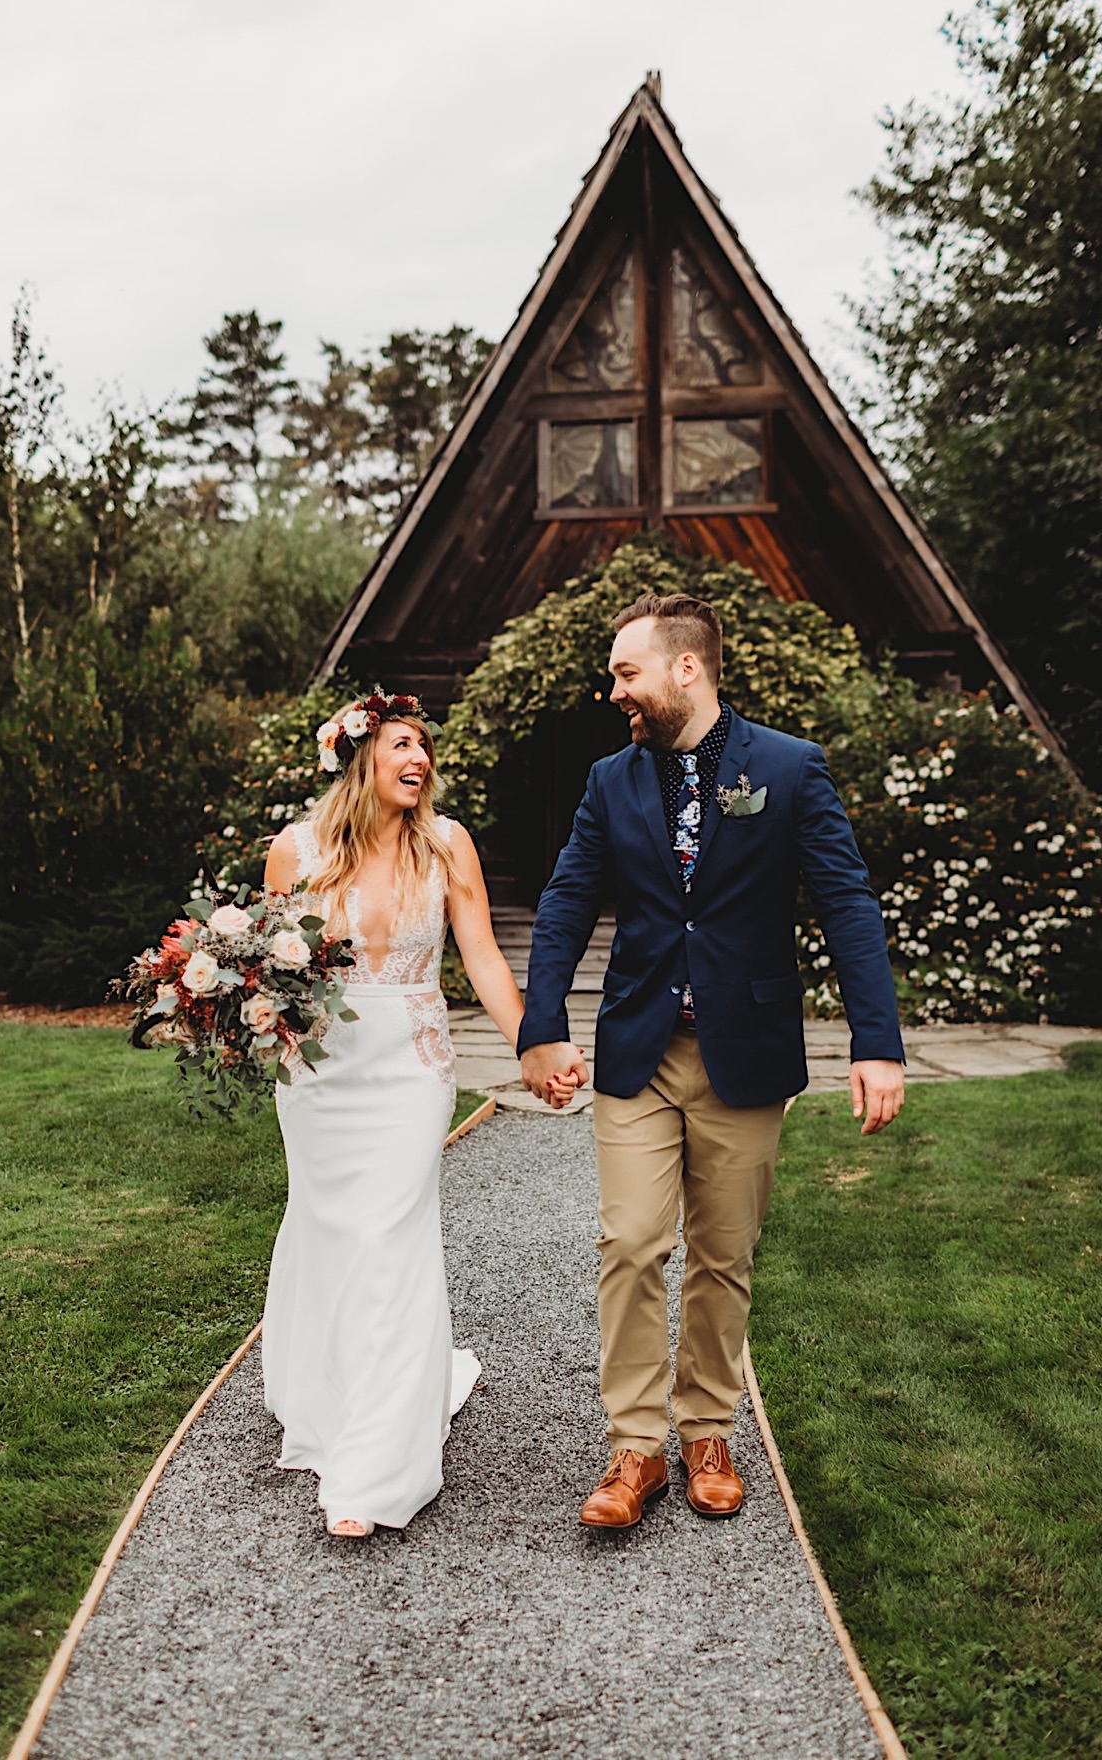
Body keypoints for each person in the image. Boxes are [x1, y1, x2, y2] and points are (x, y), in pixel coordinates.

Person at [518, 595, 906, 1530]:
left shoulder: (787, 767)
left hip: (747, 1049)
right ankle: (634, 1449)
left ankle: (707, 1430)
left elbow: (848, 904)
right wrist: (541, 1024)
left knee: (723, 1257)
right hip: (639, 1050)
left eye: (626, 672)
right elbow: (570, 897)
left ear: (685, 669)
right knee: (631, 1244)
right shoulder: (611, 780)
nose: (615, 690)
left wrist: (877, 1042)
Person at [262, 692, 570, 1538]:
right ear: (360, 758)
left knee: (388, 1237)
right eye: (402, 743)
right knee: (328, 1224)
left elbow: (483, 960)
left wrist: (533, 1046)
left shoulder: (447, 845)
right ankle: (326, 1390)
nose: (420, 759)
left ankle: (374, 1465)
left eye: (425, 747)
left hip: (411, 1071)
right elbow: (270, 970)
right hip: (320, 1076)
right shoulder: (296, 851)